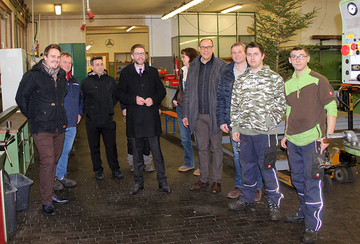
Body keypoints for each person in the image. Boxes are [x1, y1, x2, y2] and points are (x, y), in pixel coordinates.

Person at [281, 47, 337, 244]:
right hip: (294, 140)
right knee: (297, 179)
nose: (297, 59)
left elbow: (331, 106)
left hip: (314, 141)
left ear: (308, 58)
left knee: (312, 181)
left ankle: (312, 226)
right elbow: (288, 109)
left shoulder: (318, 80)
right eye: (294, 57)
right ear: (290, 60)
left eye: (301, 56)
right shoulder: (287, 84)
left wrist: (327, 137)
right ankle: (304, 212)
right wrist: (286, 134)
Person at [228, 42, 285, 222]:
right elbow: (234, 106)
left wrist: (270, 122)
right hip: (245, 133)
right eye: (249, 54)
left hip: (266, 134)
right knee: (247, 166)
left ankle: (274, 202)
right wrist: (236, 128)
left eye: (255, 54)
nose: (252, 57)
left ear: (263, 56)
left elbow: (281, 104)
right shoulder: (241, 80)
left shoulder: (274, 78)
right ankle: (247, 198)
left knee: (268, 168)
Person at [16, 44, 69, 215]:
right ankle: (46, 200)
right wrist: (34, 116)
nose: (56, 59)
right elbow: (21, 97)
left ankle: (51, 193)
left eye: (58, 56)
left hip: (59, 125)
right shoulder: (33, 76)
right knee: (47, 161)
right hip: (42, 126)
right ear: (45, 57)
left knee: (54, 159)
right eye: (52, 56)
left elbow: (62, 97)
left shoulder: (61, 75)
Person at [117, 44, 171, 195]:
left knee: (157, 152)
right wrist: (134, 99)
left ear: (145, 56)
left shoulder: (153, 72)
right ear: (132, 56)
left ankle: (162, 181)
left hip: (151, 118)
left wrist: (153, 99)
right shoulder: (126, 73)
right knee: (137, 153)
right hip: (135, 119)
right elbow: (120, 93)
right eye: (137, 54)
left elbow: (161, 91)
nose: (140, 56)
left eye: (143, 53)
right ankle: (138, 182)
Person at [216, 42, 263, 200]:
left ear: (246, 53)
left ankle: (257, 187)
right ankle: (240, 185)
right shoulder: (227, 73)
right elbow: (221, 98)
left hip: (254, 123)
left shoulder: (256, 71)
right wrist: (222, 119)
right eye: (233, 52)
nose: (236, 55)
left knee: (255, 155)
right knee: (237, 155)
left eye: (239, 52)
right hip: (234, 122)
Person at [182, 38, 227, 194]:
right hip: (198, 115)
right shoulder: (193, 66)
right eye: (203, 47)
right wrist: (186, 114)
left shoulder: (221, 66)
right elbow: (187, 92)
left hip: (215, 116)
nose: (206, 50)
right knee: (201, 149)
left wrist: (224, 116)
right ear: (199, 48)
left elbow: (225, 93)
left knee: (216, 149)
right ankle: (204, 179)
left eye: (209, 47)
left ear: (213, 48)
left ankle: (217, 181)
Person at [80, 56, 123, 180]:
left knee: (111, 146)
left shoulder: (110, 81)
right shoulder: (85, 82)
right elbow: (81, 100)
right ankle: (98, 170)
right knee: (94, 147)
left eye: (101, 64)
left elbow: (115, 96)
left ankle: (115, 168)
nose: (100, 66)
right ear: (92, 67)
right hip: (91, 121)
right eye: (97, 64)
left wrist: (109, 107)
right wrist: (88, 111)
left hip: (107, 119)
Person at [53, 52, 83, 191]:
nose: (67, 65)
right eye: (64, 62)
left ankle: (61, 176)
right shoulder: (54, 80)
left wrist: (79, 113)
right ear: (59, 63)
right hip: (58, 123)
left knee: (65, 151)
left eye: (69, 62)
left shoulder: (73, 80)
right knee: (55, 152)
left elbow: (80, 98)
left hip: (72, 123)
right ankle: (52, 178)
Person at [172, 48, 200, 176]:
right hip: (181, 107)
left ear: (190, 57)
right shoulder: (183, 71)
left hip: (195, 109)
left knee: (200, 139)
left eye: (183, 56)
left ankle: (202, 165)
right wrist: (175, 99)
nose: (182, 59)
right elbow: (180, 88)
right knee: (184, 138)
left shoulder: (198, 71)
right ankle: (189, 163)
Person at [120, 103, 155, 172]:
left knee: (146, 139)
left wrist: (157, 107)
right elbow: (122, 93)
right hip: (131, 113)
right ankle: (132, 163)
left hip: (146, 112)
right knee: (131, 139)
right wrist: (124, 108)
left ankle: (146, 162)